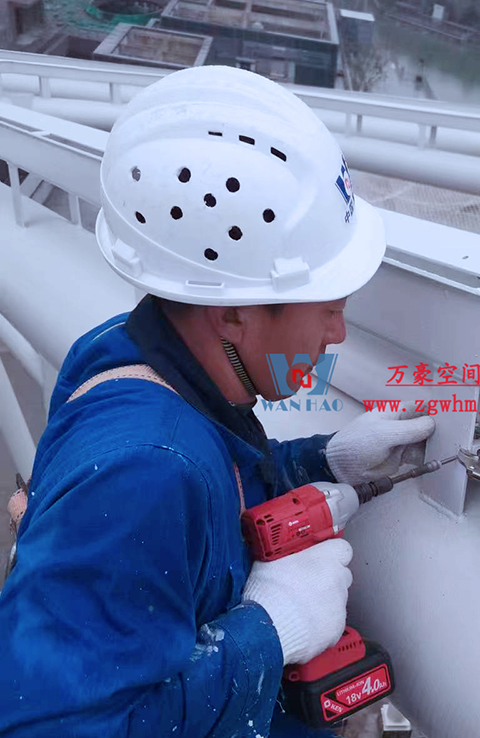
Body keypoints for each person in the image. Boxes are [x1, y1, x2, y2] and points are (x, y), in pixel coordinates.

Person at [0, 66, 435, 737]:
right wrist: (271, 631)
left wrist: (324, 462)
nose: (338, 335)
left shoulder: (135, 355)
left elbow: (210, 488)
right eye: (328, 308)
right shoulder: (145, 472)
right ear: (233, 314)